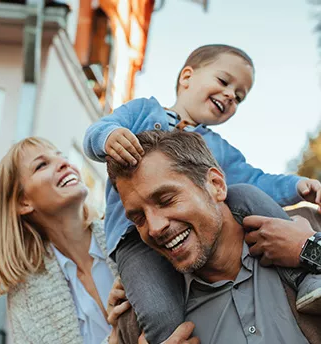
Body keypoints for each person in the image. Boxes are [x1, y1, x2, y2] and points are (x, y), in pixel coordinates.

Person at [83, 44, 321, 343]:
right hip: (132, 243)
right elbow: (98, 129)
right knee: (158, 312)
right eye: (224, 82)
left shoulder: (217, 148)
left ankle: (303, 275)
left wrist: (298, 193)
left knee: (246, 193)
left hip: (301, 258)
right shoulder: (143, 111)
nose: (230, 96)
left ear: (215, 184)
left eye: (239, 97)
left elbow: (257, 180)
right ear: (186, 77)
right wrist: (109, 138)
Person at [107, 130, 321, 344]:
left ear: (216, 185)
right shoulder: (143, 321)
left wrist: (310, 250)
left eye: (166, 200)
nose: (154, 228)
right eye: (139, 218)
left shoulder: (305, 233)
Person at [0, 137, 131, 344]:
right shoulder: (26, 300)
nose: (65, 163)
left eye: (61, 156)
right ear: (23, 202)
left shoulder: (126, 235)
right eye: (42, 165)